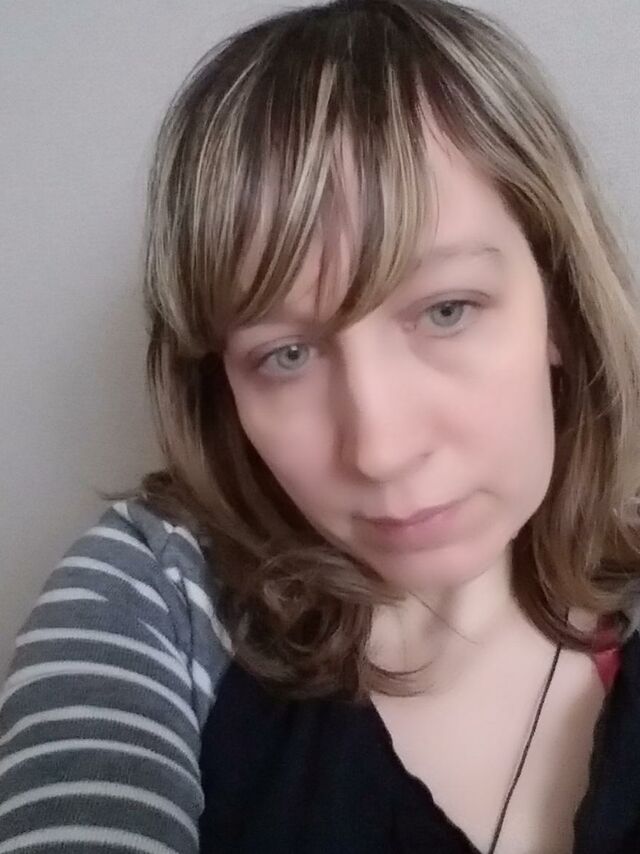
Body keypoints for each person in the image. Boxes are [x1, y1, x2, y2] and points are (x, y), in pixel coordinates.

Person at [2, 0, 640, 851]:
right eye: (287, 355)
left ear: (558, 305)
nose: (380, 450)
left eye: (447, 310)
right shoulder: (156, 598)